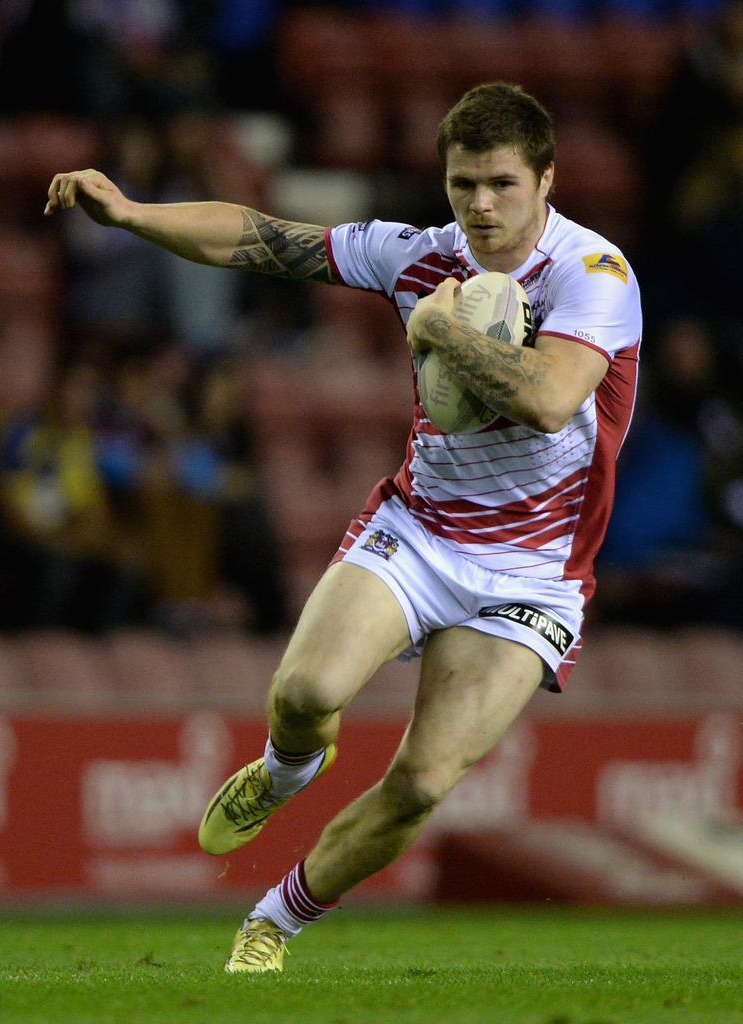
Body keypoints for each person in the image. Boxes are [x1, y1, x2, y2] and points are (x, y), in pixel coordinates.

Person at [45, 82, 642, 972]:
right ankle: (288, 770)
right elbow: (261, 240)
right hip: (421, 530)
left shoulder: (592, 275)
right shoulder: (415, 254)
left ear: (546, 180)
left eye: (502, 184)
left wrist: (441, 328)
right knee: (302, 696)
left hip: (533, 572)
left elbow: (554, 401)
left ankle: (271, 923)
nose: (480, 205)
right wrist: (131, 213)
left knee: (422, 782)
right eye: (463, 183)